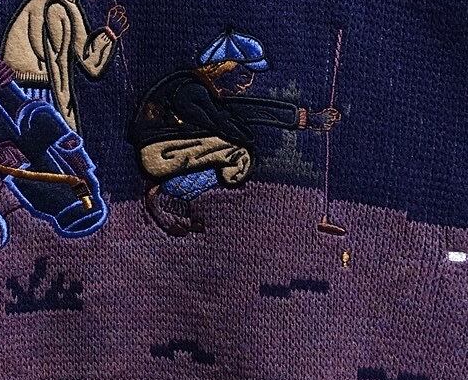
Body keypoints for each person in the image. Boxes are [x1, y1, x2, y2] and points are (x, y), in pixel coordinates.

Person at [129, 31, 340, 235]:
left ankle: (173, 196)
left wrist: (304, 118)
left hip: (168, 150)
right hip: (159, 153)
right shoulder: (191, 91)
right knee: (239, 155)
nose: (248, 84)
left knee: (234, 150)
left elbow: (245, 110)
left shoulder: (197, 88)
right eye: (244, 75)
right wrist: (248, 137)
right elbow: (225, 122)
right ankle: (166, 195)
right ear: (224, 67)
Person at [0, 0, 129, 132]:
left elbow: (91, 64)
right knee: (53, 150)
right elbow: (59, 73)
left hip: (38, 93)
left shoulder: (66, 1)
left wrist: (110, 34)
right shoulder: (56, 5)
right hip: (32, 95)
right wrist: (70, 130)